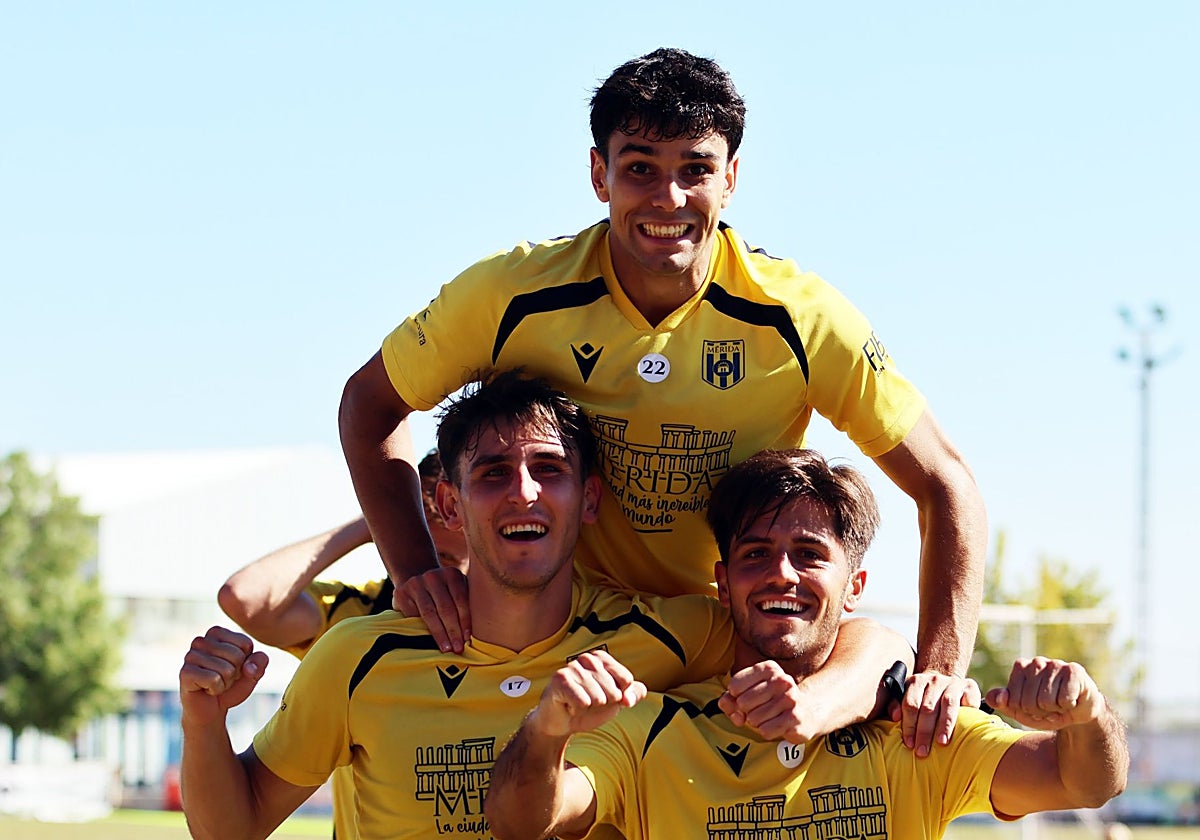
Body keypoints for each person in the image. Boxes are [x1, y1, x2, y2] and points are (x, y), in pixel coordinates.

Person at [338, 47, 987, 716]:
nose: (668, 198)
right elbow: (369, 404)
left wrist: (941, 671)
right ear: (599, 173)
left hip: (722, 649)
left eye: (696, 170)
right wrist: (415, 570)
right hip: (569, 647)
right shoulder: (510, 295)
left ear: (731, 178)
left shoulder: (802, 317)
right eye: (641, 168)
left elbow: (947, 483)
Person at [179, 372, 911, 840]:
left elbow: (864, 644)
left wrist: (816, 703)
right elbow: (229, 830)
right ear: (446, 501)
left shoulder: (665, 631)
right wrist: (203, 719)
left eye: (550, 471)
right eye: (493, 473)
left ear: (588, 498)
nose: (524, 492)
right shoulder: (358, 654)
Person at [484, 449, 1129, 840]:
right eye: (755, 554)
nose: (781, 574)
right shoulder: (653, 728)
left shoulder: (912, 730)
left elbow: (1083, 782)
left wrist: (1088, 718)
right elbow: (520, 824)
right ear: (723, 582)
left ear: (855, 586)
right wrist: (546, 731)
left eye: (809, 555)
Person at [214, 449, 466, 839]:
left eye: (460, 557)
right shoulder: (359, 616)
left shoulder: (518, 620)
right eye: (433, 555)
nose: (444, 576)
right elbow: (244, 598)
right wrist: (381, 517)